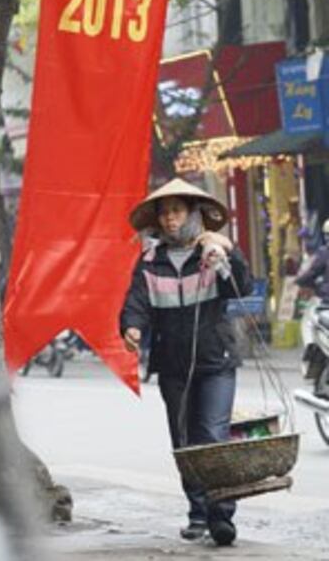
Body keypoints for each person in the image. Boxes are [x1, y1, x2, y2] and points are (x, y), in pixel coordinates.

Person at [120, 178, 252, 546]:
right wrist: (131, 327)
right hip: (173, 366)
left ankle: (220, 515)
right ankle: (198, 513)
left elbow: (241, 286)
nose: (169, 219)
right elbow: (136, 303)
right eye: (164, 213)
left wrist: (226, 252)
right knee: (185, 441)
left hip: (215, 362)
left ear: (194, 214)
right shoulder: (149, 261)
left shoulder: (210, 252)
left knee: (211, 436)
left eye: (177, 211)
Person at [296, 218, 329, 301]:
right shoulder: (324, 252)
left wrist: (299, 281)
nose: (327, 238)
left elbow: (312, 272)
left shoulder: (324, 253)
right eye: (326, 235)